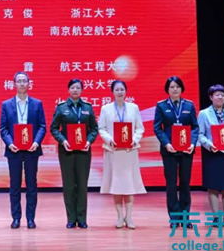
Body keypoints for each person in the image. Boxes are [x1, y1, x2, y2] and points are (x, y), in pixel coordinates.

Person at [0, 71, 47, 229]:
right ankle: (16, 218)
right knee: (15, 185)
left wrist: (36, 142)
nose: (21, 83)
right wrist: (9, 143)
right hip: (14, 149)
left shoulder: (37, 104)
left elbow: (42, 126)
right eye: (19, 81)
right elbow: (3, 128)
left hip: (32, 149)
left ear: (28, 83)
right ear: (14, 84)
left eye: (24, 81)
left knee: (32, 184)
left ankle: (31, 218)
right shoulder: (6, 104)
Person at [50, 78, 98, 229]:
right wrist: (63, 140)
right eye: (72, 87)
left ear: (82, 90)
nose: (75, 90)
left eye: (78, 87)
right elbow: (54, 128)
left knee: (82, 185)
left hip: (84, 151)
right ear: (68, 90)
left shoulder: (88, 107)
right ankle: (71, 218)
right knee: (69, 185)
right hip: (67, 151)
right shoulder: (61, 108)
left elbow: (94, 129)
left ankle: (82, 218)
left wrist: (89, 141)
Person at [97, 80, 146, 229]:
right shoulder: (106, 109)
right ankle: (119, 217)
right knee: (117, 185)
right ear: (112, 92)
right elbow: (101, 128)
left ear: (126, 91)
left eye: (122, 89)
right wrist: (109, 140)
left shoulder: (133, 108)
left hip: (129, 152)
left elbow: (140, 128)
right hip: (114, 151)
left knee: (129, 185)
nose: (120, 92)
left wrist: (134, 140)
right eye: (117, 90)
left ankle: (129, 217)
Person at [153, 76, 199, 228]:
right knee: (171, 184)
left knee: (185, 183)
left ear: (182, 88)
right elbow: (157, 128)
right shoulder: (161, 106)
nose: (175, 89)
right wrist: (166, 144)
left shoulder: (189, 105)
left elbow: (195, 127)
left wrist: (192, 143)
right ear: (167, 89)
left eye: (177, 86)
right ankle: (174, 217)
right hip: (169, 150)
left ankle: (185, 217)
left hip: (186, 150)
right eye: (172, 87)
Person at [197, 84, 224, 224]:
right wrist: (210, 145)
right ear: (211, 97)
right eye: (217, 95)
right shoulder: (204, 114)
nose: (220, 97)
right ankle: (216, 217)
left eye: (222, 95)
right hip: (212, 153)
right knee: (213, 186)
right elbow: (200, 134)